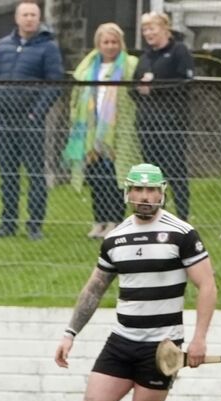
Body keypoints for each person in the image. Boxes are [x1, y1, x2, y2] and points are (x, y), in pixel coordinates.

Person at [54, 164, 217, 401]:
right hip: (121, 341)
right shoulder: (116, 237)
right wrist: (70, 333)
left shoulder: (182, 234)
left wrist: (200, 339)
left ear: (163, 192)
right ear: (127, 193)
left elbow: (207, 286)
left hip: (162, 349)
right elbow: (95, 288)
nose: (145, 198)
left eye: (152, 191)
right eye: (138, 191)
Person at [0, 1, 64, 241]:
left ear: (39, 19)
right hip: (4, 120)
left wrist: (36, 113)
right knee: (8, 172)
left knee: (35, 173)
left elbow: (54, 83)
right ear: (16, 18)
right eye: (25, 14)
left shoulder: (49, 47)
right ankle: (8, 223)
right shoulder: (2, 45)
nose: (29, 19)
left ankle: (34, 225)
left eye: (33, 15)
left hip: (30, 121)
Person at [65, 23, 139, 239]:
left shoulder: (130, 65)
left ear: (121, 43)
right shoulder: (88, 68)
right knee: (96, 176)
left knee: (114, 176)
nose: (110, 46)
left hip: (117, 129)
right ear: (98, 44)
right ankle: (98, 220)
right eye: (106, 42)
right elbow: (77, 96)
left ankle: (115, 220)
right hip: (91, 127)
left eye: (114, 42)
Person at [132, 12, 194, 222]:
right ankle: (157, 213)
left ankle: (183, 215)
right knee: (152, 171)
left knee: (175, 168)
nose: (148, 33)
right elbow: (132, 87)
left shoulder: (179, 51)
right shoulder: (145, 57)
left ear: (165, 29)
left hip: (171, 122)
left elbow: (185, 83)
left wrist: (155, 85)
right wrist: (140, 87)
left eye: (152, 28)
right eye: (145, 29)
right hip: (146, 123)